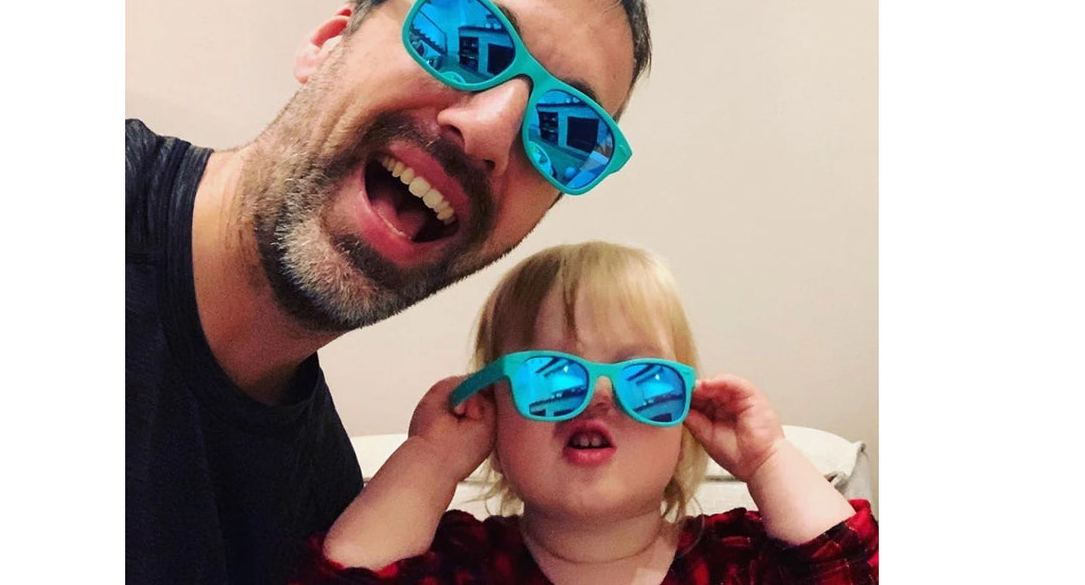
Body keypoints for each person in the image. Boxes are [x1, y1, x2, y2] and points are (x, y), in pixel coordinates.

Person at [126, 0, 653, 584]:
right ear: (330, 41)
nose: (491, 132)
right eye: (466, 39)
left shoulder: (327, 513)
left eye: (568, 132)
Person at [294, 241, 879, 583]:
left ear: (685, 421)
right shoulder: (462, 564)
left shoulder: (738, 562)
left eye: (644, 380)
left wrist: (768, 458)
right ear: (492, 417)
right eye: (552, 376)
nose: (600, 395)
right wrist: (429, 458)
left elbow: (852, 571)